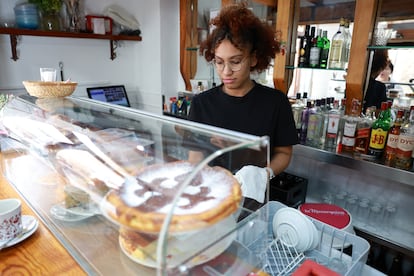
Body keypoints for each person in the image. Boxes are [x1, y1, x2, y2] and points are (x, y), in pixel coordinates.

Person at [186, 3, 298, 211]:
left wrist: (265, 173)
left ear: (254, 58)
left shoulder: (275, 102)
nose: (226, 71)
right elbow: (195, 158)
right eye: (219, 62)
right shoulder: (202, 103)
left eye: (235, 61)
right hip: (212, 200)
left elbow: (284, 152)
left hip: (253, 202)